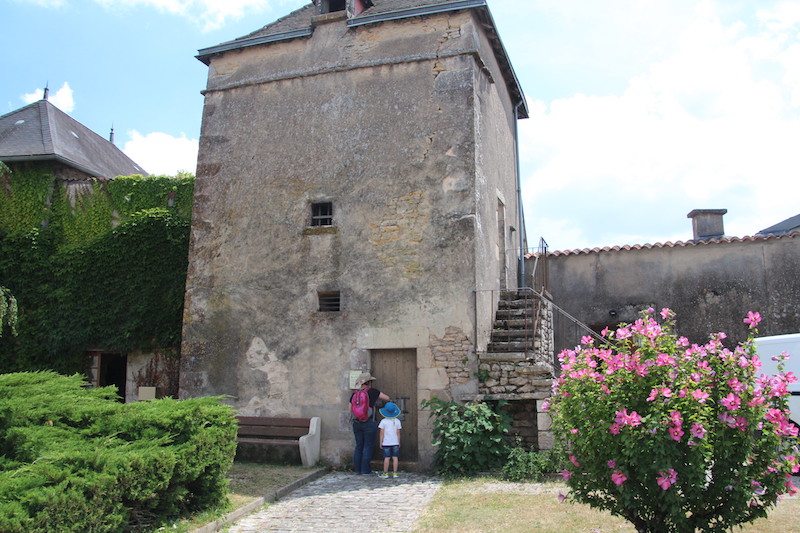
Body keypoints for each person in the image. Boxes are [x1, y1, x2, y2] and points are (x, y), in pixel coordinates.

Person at [351, 372, 389, 475]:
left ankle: (357, 469)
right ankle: (365, 470)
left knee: (359, 446)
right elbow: (386, 398)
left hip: (356, 423)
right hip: (369, 422)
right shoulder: (373, 392)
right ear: (369, 382)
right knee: (368, 446)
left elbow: (350, 408)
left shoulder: (354, 394)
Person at [378, 401, 402, 478]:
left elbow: (381, 433)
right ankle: (395, 473)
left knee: (387, 458)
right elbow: (398, 433)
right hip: (395, 442)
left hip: (386, 443)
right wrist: (399, 442)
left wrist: (380, 442)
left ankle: (385, 473)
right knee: (395, 458)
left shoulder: (383, 421)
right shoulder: (397, 421)